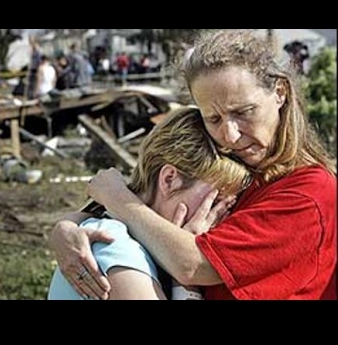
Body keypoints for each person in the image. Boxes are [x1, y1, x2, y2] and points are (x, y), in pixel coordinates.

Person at [48, 29, 337, 300]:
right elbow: (153, 191)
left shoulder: (309, 192)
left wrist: (115, 197)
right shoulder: (242, 162)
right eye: (213, 118)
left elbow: (191, 263)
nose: (230, 134)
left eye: (244, 111)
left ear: (280, 92)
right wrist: (66, 226)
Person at [48, 107, 250, 300]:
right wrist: (186, 284)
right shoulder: (115, 246)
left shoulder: (137, 244)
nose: (219, 217)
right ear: (169, 179)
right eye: (214, 201)